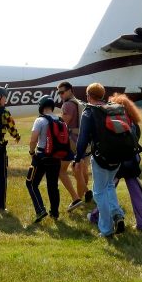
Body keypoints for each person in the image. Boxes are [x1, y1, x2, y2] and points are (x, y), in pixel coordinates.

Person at [73, 82, 126, 238]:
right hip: (118, 156)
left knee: (99, 193)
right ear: (102, 95)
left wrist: (77, 158)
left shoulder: (89, 111)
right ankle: (117, 214)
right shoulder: (114, 108)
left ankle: (106, 229)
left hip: (101, 157)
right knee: (109, 186)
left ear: (89, 96)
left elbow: (83, 139)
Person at [110, 93, 142, 231]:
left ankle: (97, 216)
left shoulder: (114, 121)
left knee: (107, 190)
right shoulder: (134, 123)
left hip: (116, 162)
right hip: (132, 161)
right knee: (137, 193)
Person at [26, 96, 66, 223]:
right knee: (53, 186)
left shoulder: (40, 120)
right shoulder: (60, 120)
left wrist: (32, 152)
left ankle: (40, 210)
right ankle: (54, 213)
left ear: (41, 106)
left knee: (31, 183)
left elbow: (33, 140)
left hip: (41, 156)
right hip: (56, 157)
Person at [56, 81, 86, 210]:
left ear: (70, 90)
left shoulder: (67, 105)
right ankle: (83, 196)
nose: (61, 95)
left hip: (71, 142)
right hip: (82, 141)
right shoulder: (78, 102)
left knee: (61, 171)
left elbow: (63, 124)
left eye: (62, 92)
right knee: (80, 172)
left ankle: (76, 198)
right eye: (59, 93)